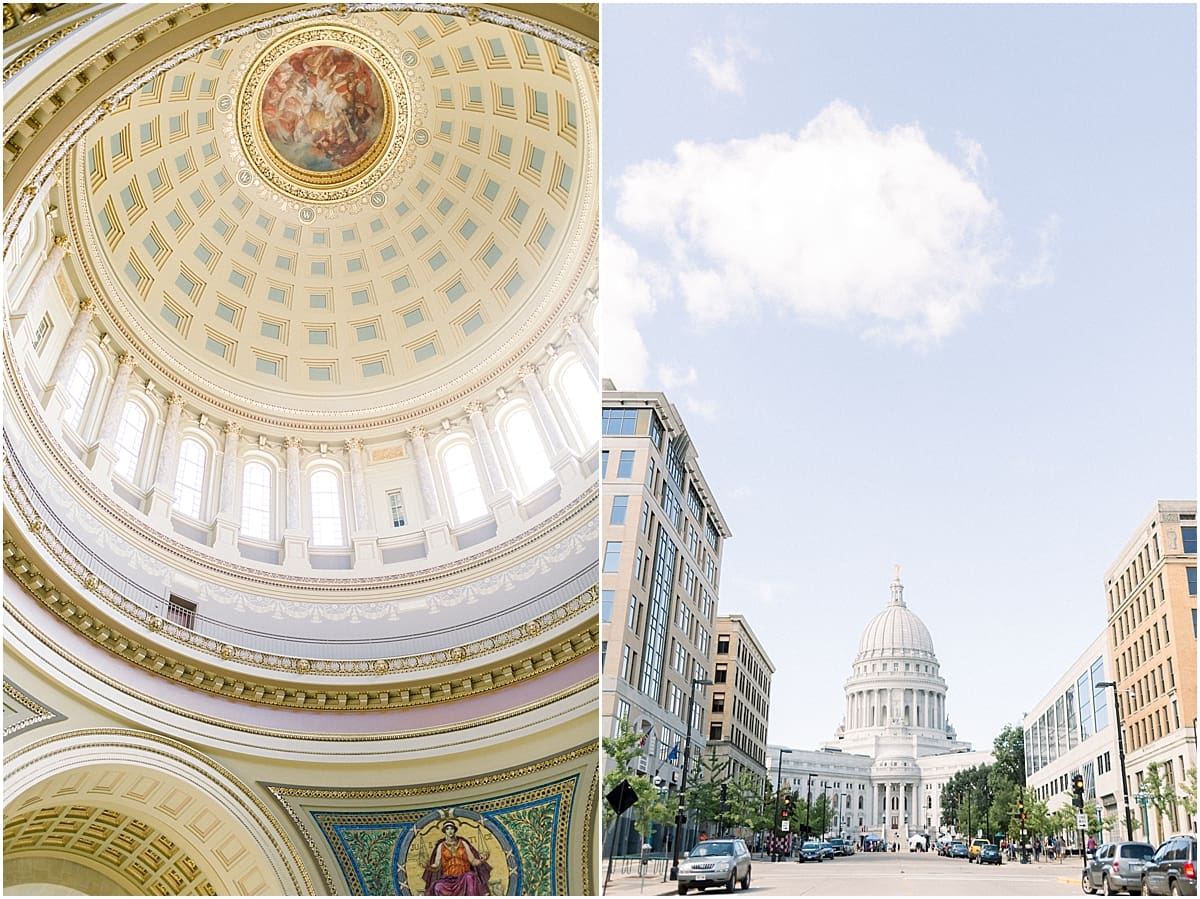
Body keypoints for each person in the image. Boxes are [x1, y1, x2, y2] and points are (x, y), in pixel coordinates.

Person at [423, 820, 491, 895]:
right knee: (438, 886)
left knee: (470, 876)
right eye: (447, 829)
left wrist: (482, 860)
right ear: (444, 831)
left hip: (463, 876)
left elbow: (473, 860)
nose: (450, 831)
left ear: (454, 830)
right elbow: (436, 864)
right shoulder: (441, 846)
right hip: (448, 879)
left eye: (451, 829)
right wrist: (428, 866)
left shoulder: (463, 843)